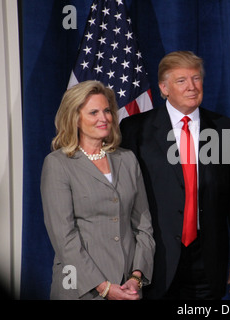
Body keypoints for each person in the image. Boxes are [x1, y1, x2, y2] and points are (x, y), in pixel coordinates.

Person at [120, 51, 230, 299]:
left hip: (208, 256)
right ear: (164, 87)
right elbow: (126, 195)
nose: (192, 87)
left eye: (196, 78)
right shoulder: (135, 129)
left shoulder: (226, 129)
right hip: (155, 255)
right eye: (181, 80)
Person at [41, 80, 155, 299]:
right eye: (94, 112)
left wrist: (136, 276)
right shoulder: (58, 164)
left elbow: (143, 226)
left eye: (107, 111)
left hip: (127, 287)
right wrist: (103, 287)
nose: (104, 118)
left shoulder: (127, 159)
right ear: (75, 118)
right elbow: (64, 237)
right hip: (79, 288)